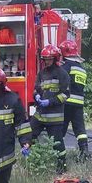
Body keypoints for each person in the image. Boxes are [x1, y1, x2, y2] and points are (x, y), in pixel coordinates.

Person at [31, 44, 70, 173]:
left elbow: (65, 95)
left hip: (54, 116)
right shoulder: (41, 73)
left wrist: (50, 102)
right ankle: (33, 161)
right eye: (45, 59)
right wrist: (36, 96)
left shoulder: (62, 74)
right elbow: (36, 89)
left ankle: (62, 166)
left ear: (55, 58)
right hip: (40, 114)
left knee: (57, 143)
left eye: (49, 59)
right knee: (29, 134)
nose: (46, 61)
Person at [58, 39, 89, 158]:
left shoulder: (66, 67)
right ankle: (84, 151)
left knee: (61, 129)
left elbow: (60, 82)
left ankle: (59, 153)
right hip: (79, 103)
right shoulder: (82, 69)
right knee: (80, 129)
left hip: (67, 102)